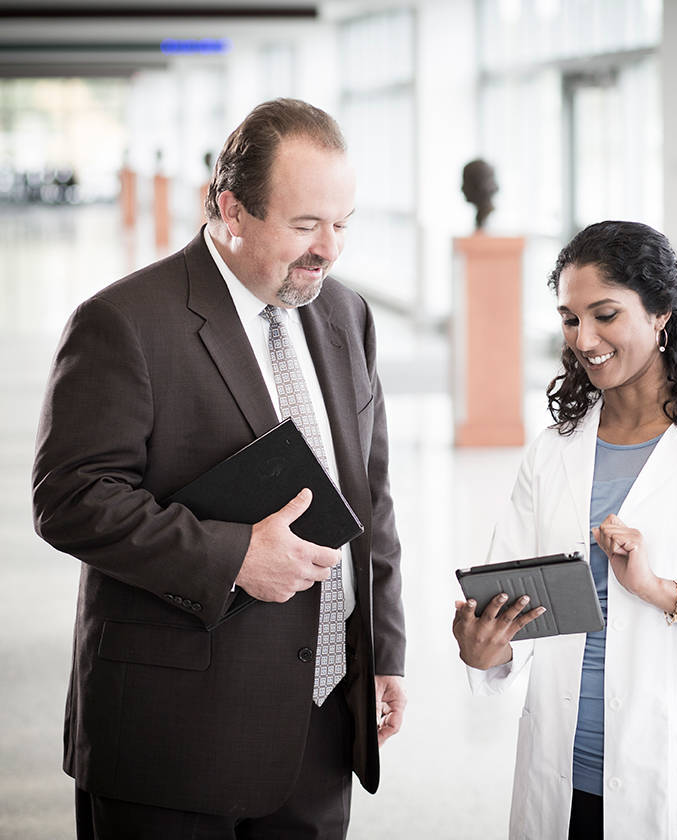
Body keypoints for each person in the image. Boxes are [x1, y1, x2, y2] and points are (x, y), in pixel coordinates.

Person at [32, 98, 406, 840]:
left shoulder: (346, 317)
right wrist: (236, 557)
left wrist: (384, 651)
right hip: (176, 732)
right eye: (304, 226)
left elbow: (373, 497)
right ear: (231, 208)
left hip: (323, 717)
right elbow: (72, 498)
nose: (328, 250)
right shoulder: (125, 322)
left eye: (342, 223)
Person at [452, 220, 677, 840]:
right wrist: (487, 647)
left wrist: (664, 591)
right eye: (569, 318)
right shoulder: (554, 451)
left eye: (605, 315)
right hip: (561, 770)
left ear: (662, 312)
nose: (584, 339)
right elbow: (511, 592)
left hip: (667, 777)